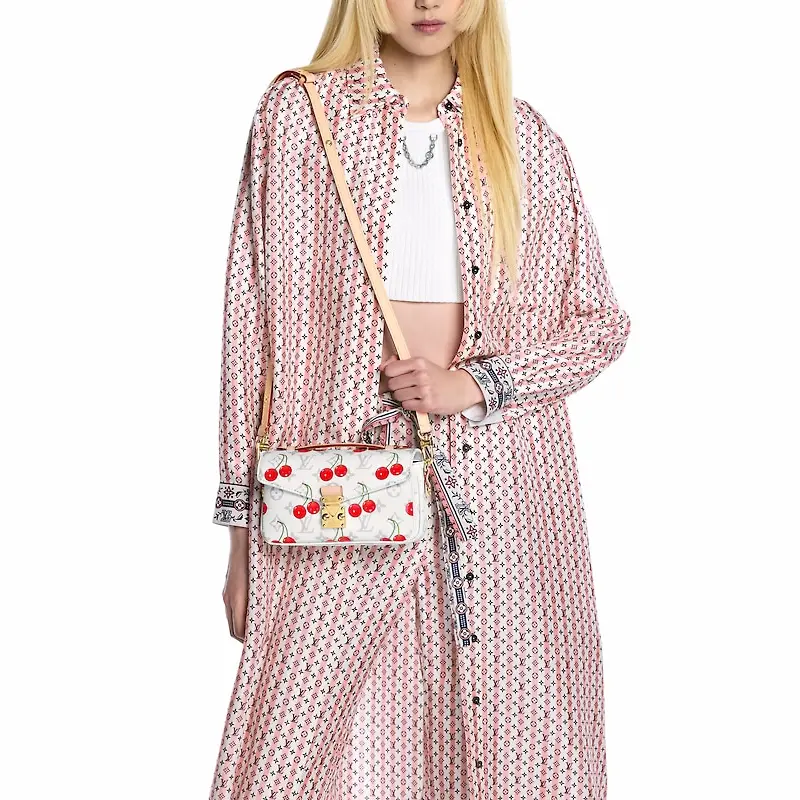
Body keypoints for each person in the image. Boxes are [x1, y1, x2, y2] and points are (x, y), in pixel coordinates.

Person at [208, 1, 631, 798]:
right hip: (335, 481)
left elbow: (599, 325)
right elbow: (249, 327)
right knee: (294, 749)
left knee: (511, 737)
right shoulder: (298, 117)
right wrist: (239, 540)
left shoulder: (525, 139)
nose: (429, 2)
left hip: (502, 492)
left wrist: (475, 384)